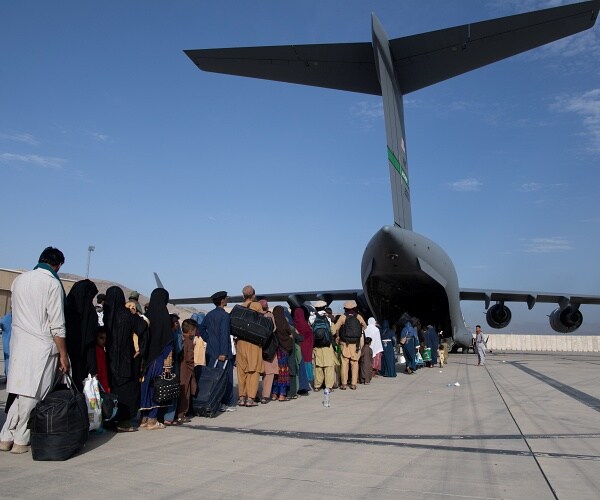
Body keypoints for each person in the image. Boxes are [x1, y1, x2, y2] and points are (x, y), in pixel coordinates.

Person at [0, 247, 69, 454]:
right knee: (34, 395)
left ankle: (6, 435)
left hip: (20, 344)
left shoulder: (19, 280)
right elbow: (57, 324)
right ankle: (21, 438)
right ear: (57, 265)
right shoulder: (52, 284)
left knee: (19, 394)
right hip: (42, 346)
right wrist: (63, 354)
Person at [104, 286, 148, 432]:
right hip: (126, 361)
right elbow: (143, 328)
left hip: (109, 360)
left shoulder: (107, 315)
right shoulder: (126, 314)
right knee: (127, 391)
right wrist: (140, 349)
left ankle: (110, 419)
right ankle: (123, 422)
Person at [139, 288, 174, 429]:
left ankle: (143, 418)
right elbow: (168, 341)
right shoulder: (164, 316)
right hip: (159, 358)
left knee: (145, 387)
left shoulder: (147, 315)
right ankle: (152, 419)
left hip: (146, 359)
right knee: (157, 388)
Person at [198, 291, 235, 412]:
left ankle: (212, 400)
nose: (227, 299)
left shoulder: (209, 315)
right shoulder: (224, 316)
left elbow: (201, 328)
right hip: (221, 353)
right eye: (226, 298)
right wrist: (224, 353)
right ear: (222, 301)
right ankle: (226, 402)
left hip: (211, 351)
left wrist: (209, 340)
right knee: (225, 377)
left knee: (211, 378)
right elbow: (224, 334)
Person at [65, 279, 99, 391]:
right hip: (81, 361)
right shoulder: (90, 314)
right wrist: (93, 370)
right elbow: (90, 343)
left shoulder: (65, 309)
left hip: (63, 358)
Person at [236, 285, 264, 407]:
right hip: (253, 342)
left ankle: (241, 397)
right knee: (254, 370)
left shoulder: (239, 307)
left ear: (243, 296)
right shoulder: (257, 306)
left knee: (242, 370)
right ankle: (250, 399)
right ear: (253, 295)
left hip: (241, 342)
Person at [334, 300, 366, 390]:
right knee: (354, 363)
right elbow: (364, 326)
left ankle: (344, 384)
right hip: (355, 344)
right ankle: (353, 384)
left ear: (345, 308)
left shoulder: (343, 317)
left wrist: (338, 335)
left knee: (345, 363)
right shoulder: (358, 317)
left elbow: (336, 328)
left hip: (345, 343)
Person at [310, 300, 336, 392]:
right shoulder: (328, 318)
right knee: (329, 366)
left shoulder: (312, 318)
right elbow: (333, 331)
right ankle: (328, 386)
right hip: (327, 346)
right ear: (325, 307)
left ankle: (317, 385)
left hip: (317, 346)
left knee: (318, 367)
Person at [176, 319, 198, 423]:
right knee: (185, 392)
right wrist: (192, 369)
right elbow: (189, 358)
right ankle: (182, 414)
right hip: (186, 371)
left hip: (180, 368)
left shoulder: (180, 338)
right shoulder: (189, 342)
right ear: (191, 331)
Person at [271, 305, 294, 401]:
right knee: (283, 372)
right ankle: (282, 394)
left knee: (275, 373)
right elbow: (290, 334)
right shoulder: (284, 322)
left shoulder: (272, 323)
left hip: (274, 351)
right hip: (283, 351)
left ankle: (274, 394)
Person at [259, 299, 277, 404]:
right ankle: (265, 395)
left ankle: (252, 395)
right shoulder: (270, 316)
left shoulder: (254, 316)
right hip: (268, 348)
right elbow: (273, 329)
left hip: (256, 347)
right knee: (269, 373)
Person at [95, 327, 110, 392]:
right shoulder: (98, 351)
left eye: (105, 338)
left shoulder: (102, 351)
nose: (104, 341)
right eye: (101, 338)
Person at [1, 308, 12, 380]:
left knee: (8, 361)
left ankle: (8, 377)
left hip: (8, 345)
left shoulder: (7, 318)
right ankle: (8, 376)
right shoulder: (9, 318)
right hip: (11, 344)